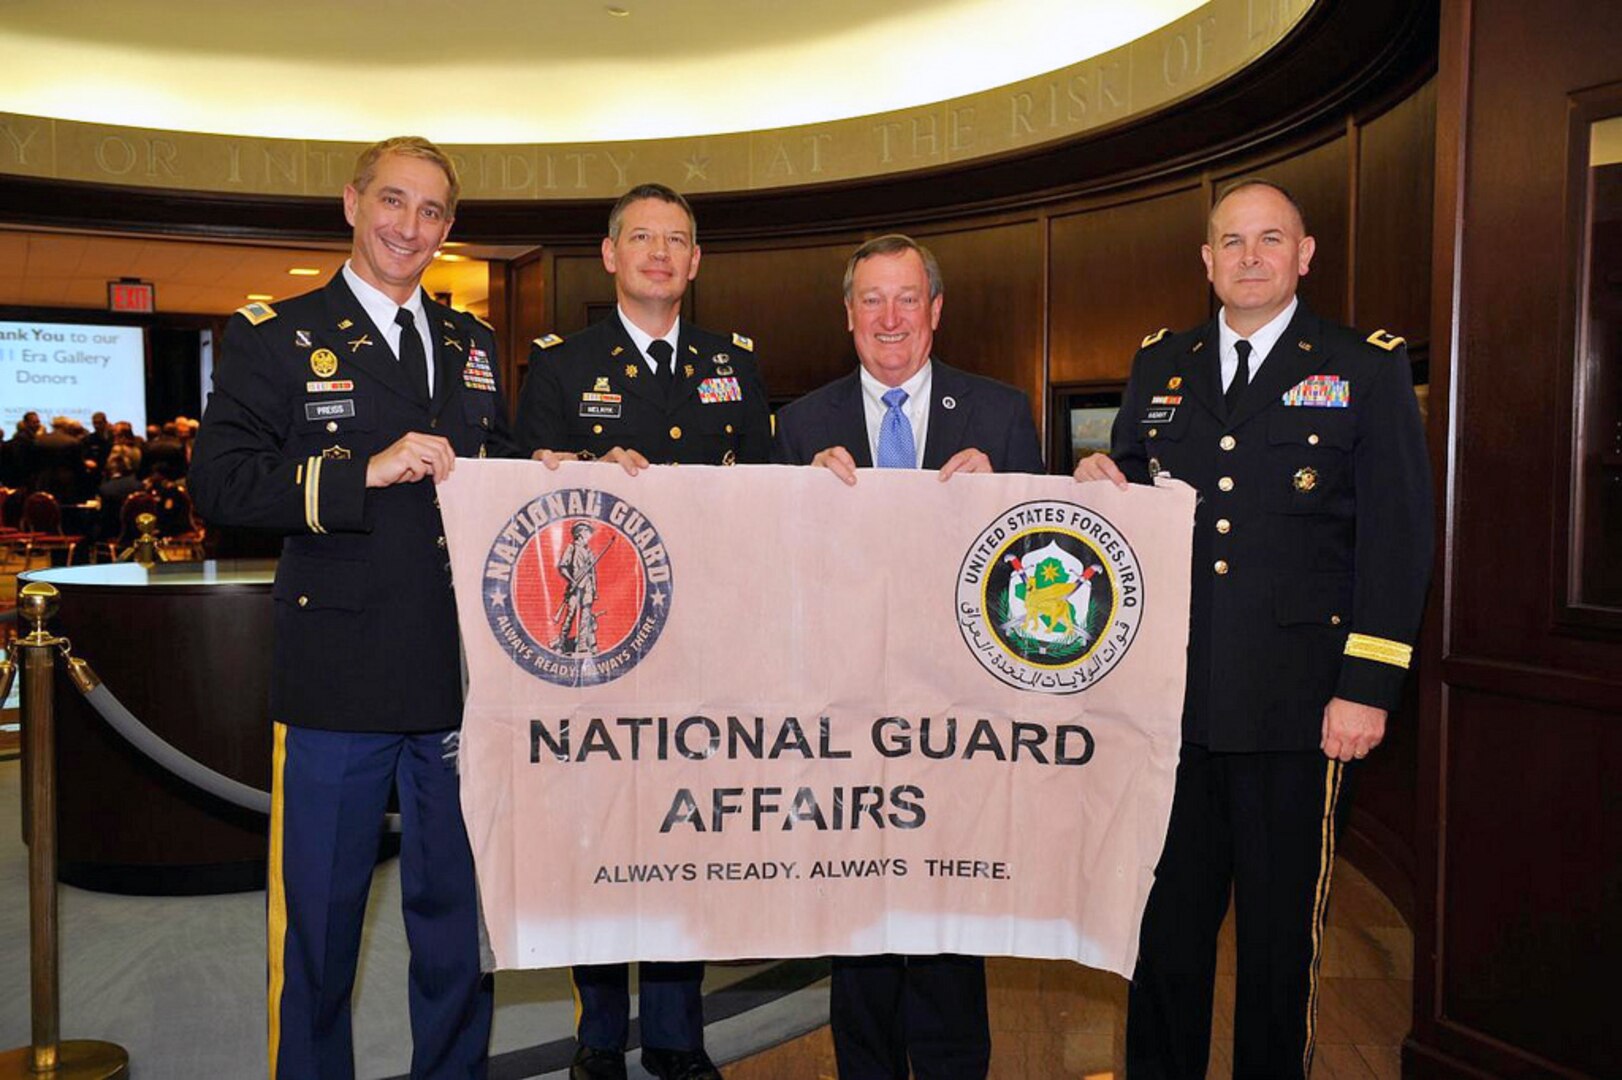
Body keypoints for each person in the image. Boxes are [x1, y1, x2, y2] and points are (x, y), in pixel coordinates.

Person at [1074, 178, 1432, 1077]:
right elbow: (1133, 487)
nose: (1250, 256)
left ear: (1305, 254)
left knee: (1279, 950)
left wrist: (1367, 688)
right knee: (1164, 940)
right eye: (1232, 242)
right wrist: (1099, 473)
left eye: (1271, 239)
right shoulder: (1162, 364)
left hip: (1300, 712)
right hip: (1170, 714)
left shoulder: (1363, 365)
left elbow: (1398, 537)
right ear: (1207, 261)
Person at [191, 135, 510, 1080]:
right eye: (394, 201)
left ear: (449, 228)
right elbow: (221, 485)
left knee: (457, 929)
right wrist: (357, 473)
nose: (410, 227)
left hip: (457, 680)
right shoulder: (273, 334)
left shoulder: (474, 345)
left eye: (432, 212)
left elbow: (497, 474)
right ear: (352, 203)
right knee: (322, 933)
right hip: (338, 678)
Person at [773, 234, 1044, 1080]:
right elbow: (771, 581)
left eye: (906, 299)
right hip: (845, 715)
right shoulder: (799, 424)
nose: (890, 319)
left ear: (935, 310)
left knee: (948, 921)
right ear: (847, 314)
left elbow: (1038, 570)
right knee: (860, 921)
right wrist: (799, 507)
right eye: (871, 301)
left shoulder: (1000, 415)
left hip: (959, 716)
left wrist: (1000, 490)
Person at [516, 182, 770, 1080]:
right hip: (597, 644)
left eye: (678, 240)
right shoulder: (558, 366)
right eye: (642, 237)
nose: (660, 253)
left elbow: (765, 500)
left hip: (705, 646)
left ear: (696, 262)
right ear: (610, 255)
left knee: (682, 833)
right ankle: (598, 1035)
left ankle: (675, 1032)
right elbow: (527, 509)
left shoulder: (735, 363)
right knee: (603, 832)